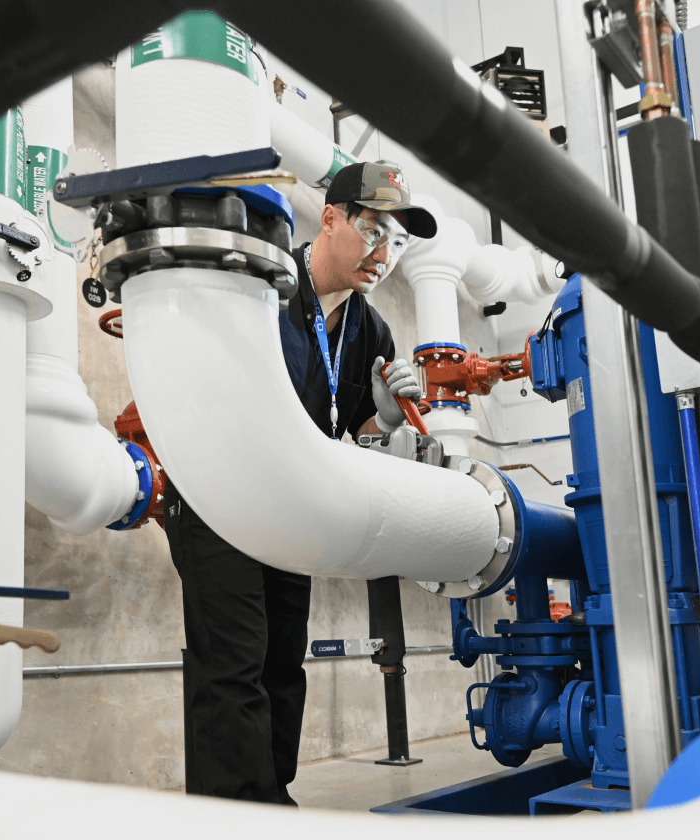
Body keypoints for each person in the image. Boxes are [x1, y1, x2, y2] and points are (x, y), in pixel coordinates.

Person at [164, 161, 438, 805]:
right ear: (331, 217)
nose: (385, 254)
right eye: (374, 230)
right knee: (233, 662)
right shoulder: (262, 281)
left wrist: (388, 416)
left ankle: (271, 793)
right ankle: (237, 807)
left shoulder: (370, 329)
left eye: (399, 243)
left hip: (289, 503)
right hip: (218, 490)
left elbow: (359, 431)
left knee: (283, 662)